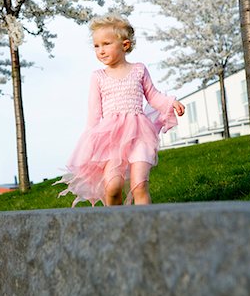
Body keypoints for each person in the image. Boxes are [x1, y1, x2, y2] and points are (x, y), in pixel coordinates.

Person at [54, 14, 185, 207]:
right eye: (96, 46)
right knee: (113, 187)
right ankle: (115, 226)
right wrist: (90, 144)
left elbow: (153, 96)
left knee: (139, 185)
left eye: (106, 44)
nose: (101, 50)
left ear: (124, 45)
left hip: (140, 135)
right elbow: (94, 114)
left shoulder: (139, 70)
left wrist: (170, 102)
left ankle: (145, 228)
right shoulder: (98, 77)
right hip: (111, 139)